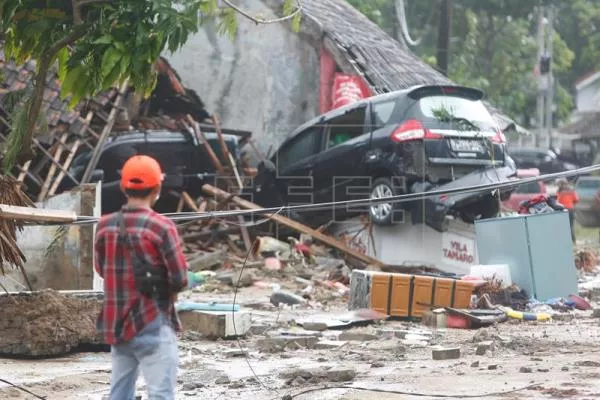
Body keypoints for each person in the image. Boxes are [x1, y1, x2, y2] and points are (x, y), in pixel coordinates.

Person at [94, 155, 188, 400]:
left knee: (120, 393)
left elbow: (100, 269)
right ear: (157, 188)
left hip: (117, 325)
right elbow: (179, 278)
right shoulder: (162, 227)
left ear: (124, 188)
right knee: (160, 394)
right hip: (151, 321)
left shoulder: (103, 226)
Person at [556, 178, 579, 243]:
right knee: (571, 225)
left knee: (563, 226)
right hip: (571, 209)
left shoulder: (559, 191)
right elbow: (577, 199)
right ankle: (573, 240)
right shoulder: (571, 190)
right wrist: (572, 204)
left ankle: (565, 240)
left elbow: (558, 201)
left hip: (562, 209)